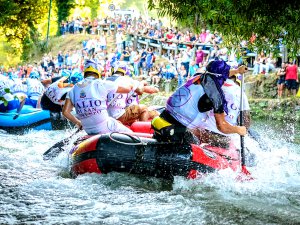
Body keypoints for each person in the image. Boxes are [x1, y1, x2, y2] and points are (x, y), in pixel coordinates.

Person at [151, 60, 247, 143]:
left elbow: (219, 73)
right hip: (177, 129)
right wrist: (238, 129)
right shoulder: (215, 94)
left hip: (164, 116)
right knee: (202, 142)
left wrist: (238, 71)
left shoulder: (198, 76)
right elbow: (222, 126)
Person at [62, 60, 133, 135]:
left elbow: (65, 112)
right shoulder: (101, 83)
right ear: (97, 71)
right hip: (105, 127)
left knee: (115, 121)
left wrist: (78, 122)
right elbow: (127, 89)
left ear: (85, 73)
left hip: (88, 130)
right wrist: (130, 83)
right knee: (131, 134)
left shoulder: (72, 90)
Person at [191, 74, 251, 148]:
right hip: (226, 137)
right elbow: (246, 120)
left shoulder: (209, 88)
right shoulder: (241, 94)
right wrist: (242, 131)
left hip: (209, 133)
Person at [107, 61, 159, 126]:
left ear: (113, 70)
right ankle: (142, 130)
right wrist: (142, 83)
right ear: (125, 71)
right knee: (144, 108)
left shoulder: (104, 80)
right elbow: (141, 91)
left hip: (106, 115)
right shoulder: (127, 81)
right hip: (118, 115)